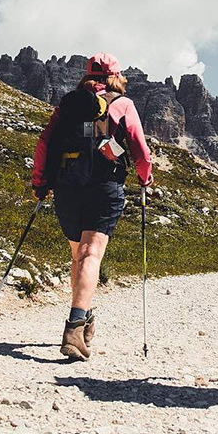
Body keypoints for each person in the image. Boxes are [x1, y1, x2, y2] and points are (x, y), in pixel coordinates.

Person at [32, 52, 153, 361]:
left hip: (67, 187)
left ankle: (85, 317)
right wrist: (145, 177)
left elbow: (44, 143)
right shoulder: (122, 104)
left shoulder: (68, 104)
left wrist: (40, 183)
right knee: (91, 254)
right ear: (116, 76)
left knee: (79, 255)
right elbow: (139, 148)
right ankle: (74, 327)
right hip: (103, 185)